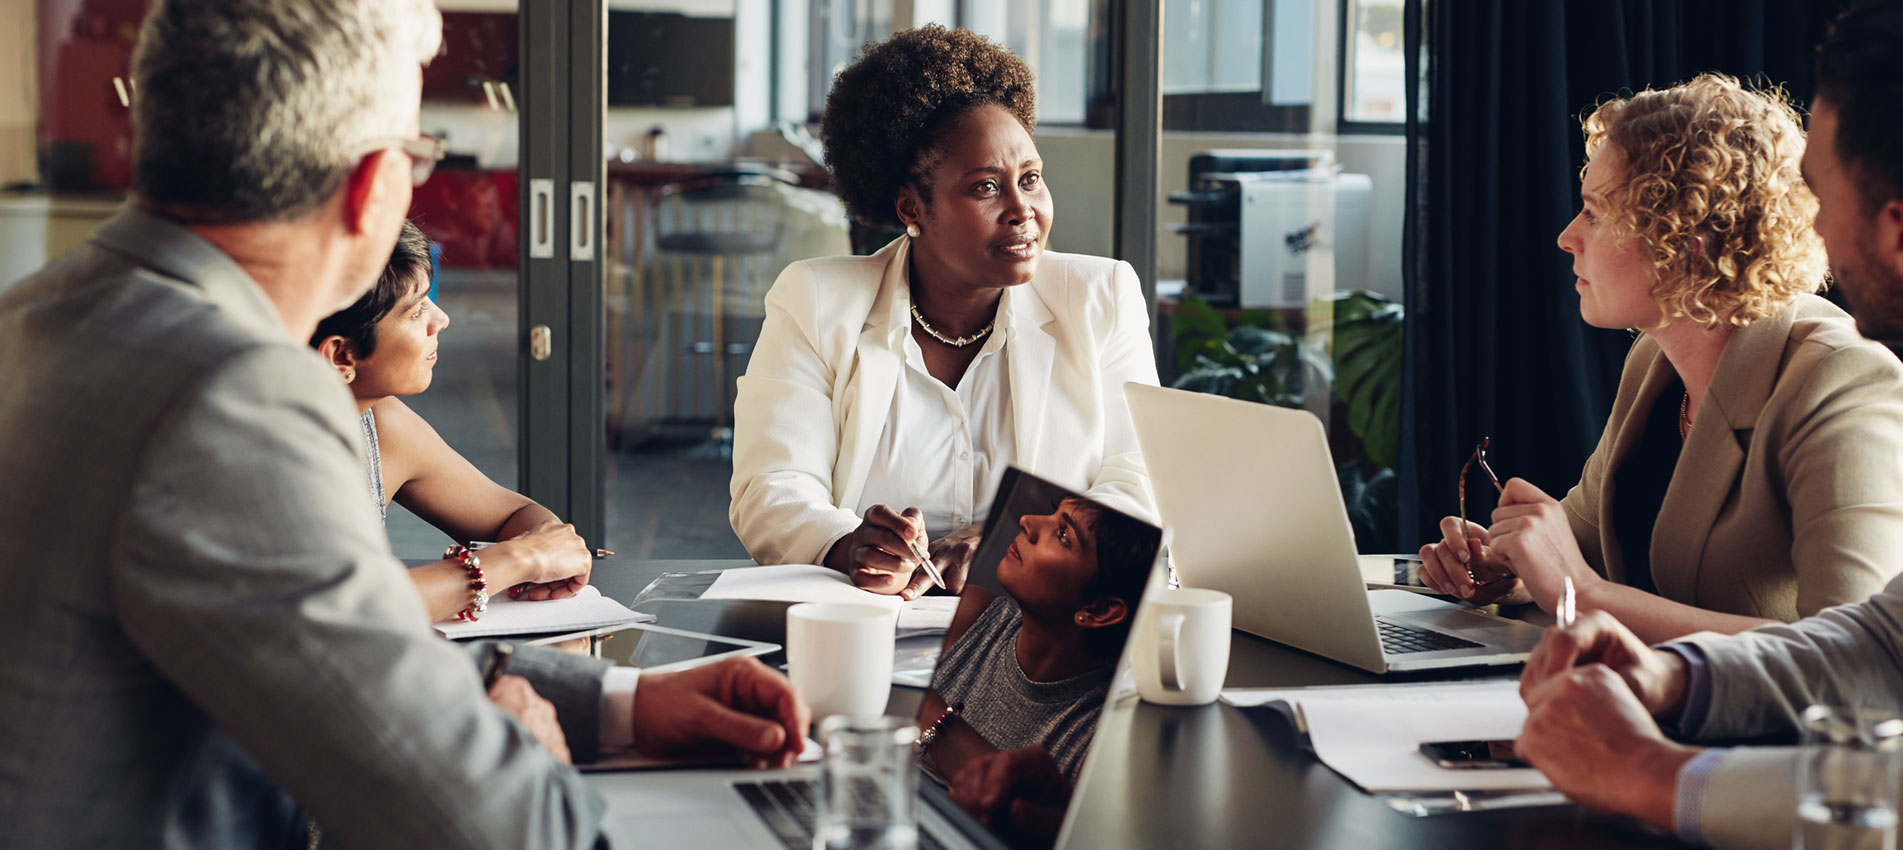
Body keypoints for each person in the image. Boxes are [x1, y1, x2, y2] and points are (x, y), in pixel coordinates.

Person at [0, 3, 807, 848]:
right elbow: (489, 825)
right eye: (416, 155)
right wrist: (530, 750)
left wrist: (621, 704)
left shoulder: (39, 317)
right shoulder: (232, 391)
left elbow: (321, 655)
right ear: (372, 184)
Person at [1514, 6, 1903, 847]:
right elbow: (1878, 646)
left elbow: (1863, 689)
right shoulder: (1652, 365)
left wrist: (1650, 766)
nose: (1817, 233)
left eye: (1829, 200)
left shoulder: (1845, 375)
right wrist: (1666, 673)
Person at [1417, 72, 1903, 644]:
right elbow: (1584, 549)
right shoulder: (1655, 360)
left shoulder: (1841, 380)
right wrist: (1510, 569)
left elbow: (1856, 655)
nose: (1567, 237)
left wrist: (1580, 596)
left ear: (1684, 247)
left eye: (1595, 214)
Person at [729, 26, 1159, 600]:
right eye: (985, 187)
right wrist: (849, 544)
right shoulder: (816, 300)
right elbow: (771, 486)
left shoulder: (1099, 297)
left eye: (1030, 179)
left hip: (1039, 636)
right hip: (866, 627)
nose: (1021, 210)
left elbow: (1140, 478)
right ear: (912, 207)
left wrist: (1010, 539)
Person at [311, 219, 593, 623]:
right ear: (342, 357)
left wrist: (545, 550)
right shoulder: (265, 448)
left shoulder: (380, 421)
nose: (440, 320)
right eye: (416, 311)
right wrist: (518, 559)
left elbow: (513, 516)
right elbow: (346, 609)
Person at [918, 496, 1157, 846]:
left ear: (1100, 609)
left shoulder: (1102, 735)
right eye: (1052, 515)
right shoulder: (976, 615)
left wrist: (933, 717)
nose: (1029, 521)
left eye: (1063, 535)